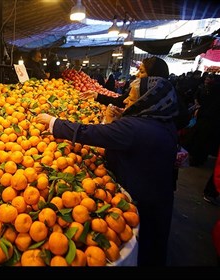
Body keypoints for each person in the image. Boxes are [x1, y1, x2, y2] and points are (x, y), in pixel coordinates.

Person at [36, 74, 179, 266]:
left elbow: (93, 134)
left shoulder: (136, 127)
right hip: (159, 192)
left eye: (132, 96)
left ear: (147, 100)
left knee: (143, 243)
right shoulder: (162, 120)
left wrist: (54, 122)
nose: (126, 99)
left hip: (141, 196)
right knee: (154, 242)